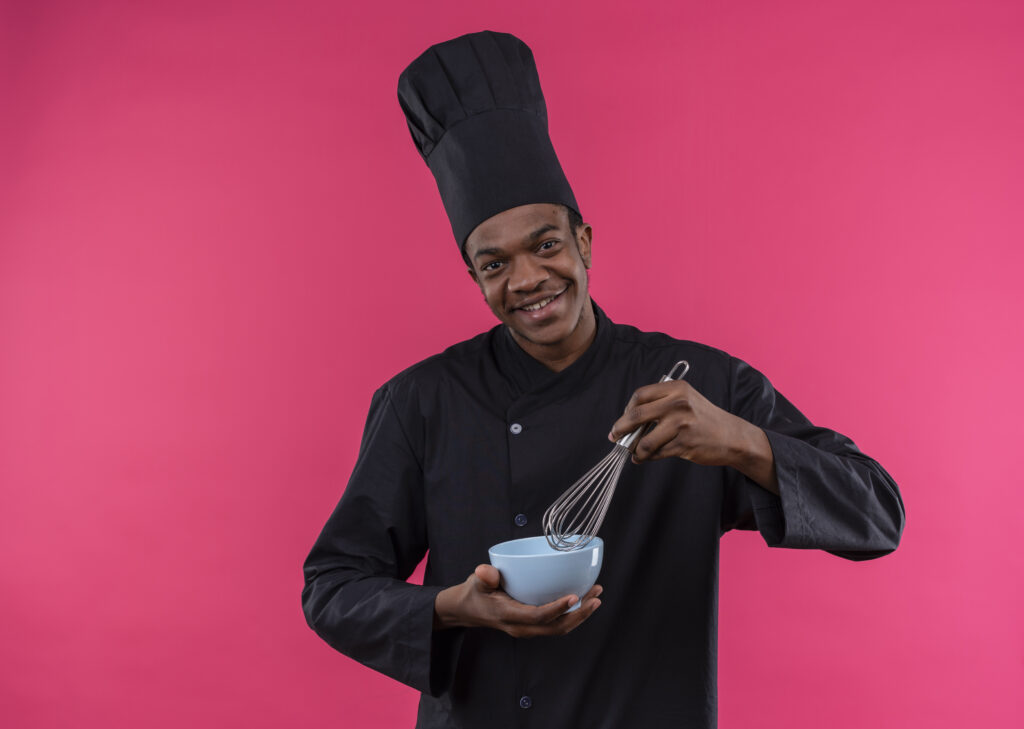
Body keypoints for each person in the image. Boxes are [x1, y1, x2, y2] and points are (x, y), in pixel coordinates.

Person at [302, 30, 904, 728]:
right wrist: (450, 607)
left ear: (583, 242)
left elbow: (877, 514)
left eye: (546, 244)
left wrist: (742, 442)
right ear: (474, 276)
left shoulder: (699, 390)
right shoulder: (422, 402)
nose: (527, 279)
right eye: (495, 264)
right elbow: (332, 588)